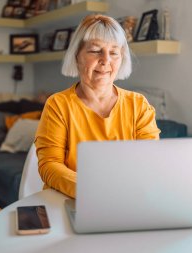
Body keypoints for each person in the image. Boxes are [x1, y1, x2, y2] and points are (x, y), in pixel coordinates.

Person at [34, 14, 161, 199]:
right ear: (77, 56)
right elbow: (49, 166)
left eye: (114, 52)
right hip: (69, 201)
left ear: (122, 58)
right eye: (95, 50)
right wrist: (91, 190)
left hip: (126, 198)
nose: (106, 60)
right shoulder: (58, 105)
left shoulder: (138, 105)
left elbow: (149, 161)